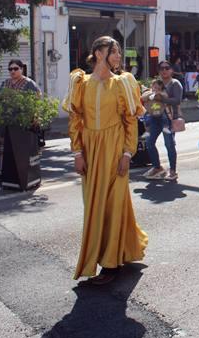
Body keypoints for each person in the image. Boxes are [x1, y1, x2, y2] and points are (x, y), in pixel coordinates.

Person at [63, 36, 148, 284]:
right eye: (114, 51)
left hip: (115, 149)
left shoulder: (122, 83)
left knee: (114, 203)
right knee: (95, 205)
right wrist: (77, 153)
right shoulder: (80, 82)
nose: (118, 56)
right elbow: (75, 120)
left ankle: (111, 265)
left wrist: (127, 154)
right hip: (91, 150)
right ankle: (125, 248)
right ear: (99, 53)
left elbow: (130, 121)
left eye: (118, 52)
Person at [142, 60, 182, 181]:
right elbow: (146, 96)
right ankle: (157, 167)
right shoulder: (157, 83)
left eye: (167, 68)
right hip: (155, 118)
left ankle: (173, 171)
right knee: (149, 142)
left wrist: (162, 99)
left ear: (171, 70)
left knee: (169, 144)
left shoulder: (175, 83)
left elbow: (177, 100)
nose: (164, 70)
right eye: (161, 68)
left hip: (168, 118)